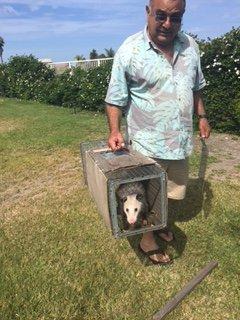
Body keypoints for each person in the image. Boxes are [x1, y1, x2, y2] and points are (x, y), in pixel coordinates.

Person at [105, 0, 211, 264]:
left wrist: (202, 116)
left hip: (179, 140)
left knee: (173, 191)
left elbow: (196, 86)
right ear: (148, 12)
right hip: (146, 143)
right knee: (146, 194)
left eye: (175, 18)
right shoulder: (129, 50)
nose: (167, 24)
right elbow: (115, 98)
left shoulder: (190, 46)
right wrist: (115, 130)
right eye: (160, 15)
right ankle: (147, 239)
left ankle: (160, 223)